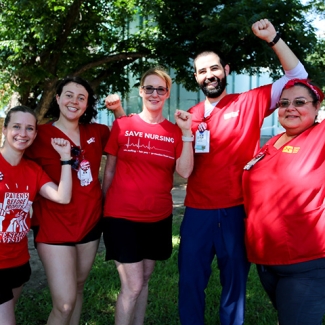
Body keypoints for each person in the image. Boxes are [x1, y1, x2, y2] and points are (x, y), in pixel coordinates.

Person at [178, 19, 308, 325]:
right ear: (196, 78)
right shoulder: (190, 116)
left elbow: (298, 75)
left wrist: (273, 38)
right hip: (197, 211)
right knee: (189, 283)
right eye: (201, 71)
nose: (209, 75)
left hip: (237, 210)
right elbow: (182, 169)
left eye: (214, 68)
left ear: (226, 70)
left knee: (234, 285)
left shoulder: (249, 101)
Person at [24, 76, 125, 325]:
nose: (74, 101)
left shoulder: (96, 132)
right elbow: (13, 160)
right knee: (65, 302)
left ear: (87, 104)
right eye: (68, 95)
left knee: (78, 288)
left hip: (90, 223)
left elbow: (127, 138)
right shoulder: (39, 135)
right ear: (58, 99)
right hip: (53, 225)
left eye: (81, 98)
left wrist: (118, 110)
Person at [102, 66, 193, 325]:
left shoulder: (175, 132)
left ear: (167, 94)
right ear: (141, 91)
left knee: (144, 280)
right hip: (121, 216)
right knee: (132, 285)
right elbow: (108, 172)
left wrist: (186, 134)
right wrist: (103, 210)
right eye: (149, 88)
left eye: (160, 89)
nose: (154, 93)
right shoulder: (122, 125)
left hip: (157, 217)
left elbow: (184, 172)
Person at [242, 79, 325, 324]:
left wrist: (273, 39)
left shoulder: (320, 137)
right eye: (284, 103)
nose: (290, 108)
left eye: (300, 102)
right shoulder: (271, 142)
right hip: (265, 260)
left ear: (317, 107)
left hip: (305, 262)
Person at [0, 105, 72, 325]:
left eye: (30, 128)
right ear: (4, 130)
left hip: (18, 261)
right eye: (16, 127)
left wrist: (66, 159)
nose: (23, 133)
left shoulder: (32, 170)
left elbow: (62, 196)